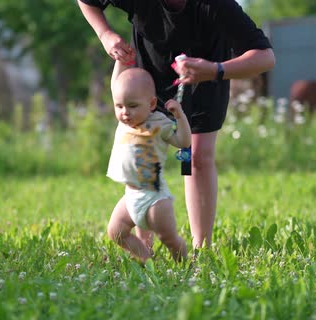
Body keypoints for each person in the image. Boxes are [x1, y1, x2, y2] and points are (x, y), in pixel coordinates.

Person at [78, 0, 275, 250]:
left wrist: (216, 70)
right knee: (143, 151)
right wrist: (105, 34)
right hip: (147, 80)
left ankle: (201, 247)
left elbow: (265, 57)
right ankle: (144, 245)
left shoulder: (216, 5)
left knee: (194, 158)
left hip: (204, 79)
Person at [106, 65, 190, 263]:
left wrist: (180, 116)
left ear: (151, 103)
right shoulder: (124, 122)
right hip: (130, 196)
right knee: (116, 232)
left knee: (168, 239)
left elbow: (184, 142)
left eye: (133, 106)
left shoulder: (159, 123)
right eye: (119, 106)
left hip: (155, 198)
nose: (125, 112)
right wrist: (119, 61)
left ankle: (184, 263)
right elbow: (115, 85)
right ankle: (146, 258)